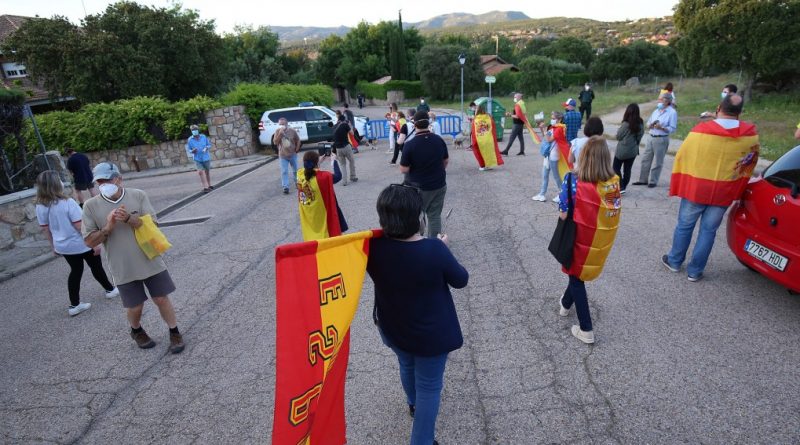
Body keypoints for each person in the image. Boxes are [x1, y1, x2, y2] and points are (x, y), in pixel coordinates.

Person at [367, 184, 468, 445]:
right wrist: (445, 249)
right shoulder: (434, 250)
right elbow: (460, 279)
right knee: (430, 387)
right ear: (418, 217)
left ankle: (412, 404)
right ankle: (421, 440)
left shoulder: (372, 249)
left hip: (393, 327)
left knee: (406, 364)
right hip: (430, 336)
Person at [82, 162, 185, 353]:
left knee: (161, 298)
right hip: (122, 265)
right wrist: (108, 227)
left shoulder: (137, 195)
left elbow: (153, 224)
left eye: (108, 179)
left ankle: (175, 332)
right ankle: (136, 330)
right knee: (135, 306)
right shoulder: (90, 206)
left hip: (149, 257)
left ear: (119, 179)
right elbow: (89, 242)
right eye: (100, 181)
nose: (104, 184)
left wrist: (130, 219)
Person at [662, 94, 759, 282]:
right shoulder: (750, 136)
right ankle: (695, 271)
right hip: (725, 191)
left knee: (684, 226)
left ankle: (674, 261)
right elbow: (750, 163)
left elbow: (684, 155)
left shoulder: (701, 130)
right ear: (739, 113)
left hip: (697, 188)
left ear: (718, 108)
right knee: (708, 231)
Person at [557, 136, 621, 344]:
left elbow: (563, 215)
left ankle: (586, 329)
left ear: (583, 156)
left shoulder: (573, 179)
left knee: (576, 278)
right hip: (598, 240)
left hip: (577, 239)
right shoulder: (612, 184)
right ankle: (565, 304)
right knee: (577, 275)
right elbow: (612, 212)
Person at [35, 170, 118, 317]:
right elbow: (80, 226)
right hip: (81, 243)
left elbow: (45, 229)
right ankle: (110, 290)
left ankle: (74, 304)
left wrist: (53, 246)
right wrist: (94, 243)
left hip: (63, 245)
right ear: (57, 184)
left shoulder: (40, 206)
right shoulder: (68, 203)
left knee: (75, 270)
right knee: (96, 266)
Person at [400, 111, 449, 238]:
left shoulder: (409, 145)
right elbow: (445, 161)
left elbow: (404, 169)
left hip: (419, 187)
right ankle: (434, 243)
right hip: (439, 184)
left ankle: (417, 241)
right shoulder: (438, 140)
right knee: (434, 215)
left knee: (416, 215)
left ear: (414, 125)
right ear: (429, 123)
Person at [296, 151, 348, 241]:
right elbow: (338, 176)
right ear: (316, 163)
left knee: (313, 234)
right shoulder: (323, 176)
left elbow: (309, 169)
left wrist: (318, 162)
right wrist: (333, 161)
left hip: (311, 213)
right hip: (322, 212)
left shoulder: (300, 174)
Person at [633, 92, 678, 188]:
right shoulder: (656, 110)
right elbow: (648, 122)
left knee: (658, 161)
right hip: (651, 136)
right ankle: (643, 179)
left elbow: (673, 128)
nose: (660, 101)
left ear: (668, 101)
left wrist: (662, 128)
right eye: (660, 99)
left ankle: (653, 181)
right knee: (646, 159)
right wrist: (650, 125)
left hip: (661, 138)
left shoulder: (672, 112)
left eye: (662, 99)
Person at [531, 116, 565, 203]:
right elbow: (545, 137)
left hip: (553, 156)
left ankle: (562, 194)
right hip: (548, 155)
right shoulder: (552, 127)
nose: (552, 119)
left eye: (554, 118)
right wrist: (543, 129)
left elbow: (549, 139)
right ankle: (542, 194)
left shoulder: (560, 129)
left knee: (556, 176)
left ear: (559, 119)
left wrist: (545, 130)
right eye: (551, 117)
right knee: (544, 175)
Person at [613, 104, 644, 194]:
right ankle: (624, 186)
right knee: (627, 169)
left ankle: (621, 186)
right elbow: (640, 135)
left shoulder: (626, 124)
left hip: (622, 151)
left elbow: (618, 136)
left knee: (615, 167)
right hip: (633, 151)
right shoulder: (640, 123)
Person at [470, 105, 504, 171]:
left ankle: (482, 166)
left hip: (480, 140)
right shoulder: (489, 117)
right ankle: (488, 165)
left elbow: (474, 130)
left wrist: (473, 141)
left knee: (478, 152)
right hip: (489, 139)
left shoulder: (476, 119)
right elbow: (493, 127)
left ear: (477, 110)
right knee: (488, 152)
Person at [275, 117, 301, 195]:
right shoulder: (277, 131)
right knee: (284, 171)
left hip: (292, 154)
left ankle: (297, 183)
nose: (281, 126)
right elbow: (275, 142)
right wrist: (280, 133)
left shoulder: (292, 131)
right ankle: (285, 187)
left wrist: (297, 149)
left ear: (286, 124)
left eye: (282, 124)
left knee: (296, 170)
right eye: (280, 124)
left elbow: (298, 140)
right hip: (283, 155)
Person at [185, 124, 213, 193]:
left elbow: (209, 145)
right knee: (200, 172)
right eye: (192, 130)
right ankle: (205, 187)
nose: (194, 131)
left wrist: (206, 148)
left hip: (205, 157)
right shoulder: (190, 140)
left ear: (198, 130)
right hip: (197, 158)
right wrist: (192, 151)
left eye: (195, 130)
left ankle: (209, 185)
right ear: (191, 131)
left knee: (207, 172)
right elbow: (189, 149)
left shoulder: (203, 137)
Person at [331, 114, 358, 185]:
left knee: (342, 165)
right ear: (344, 120)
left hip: (338, 148)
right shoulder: (345, 125)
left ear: (338, 120)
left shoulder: (334, 127)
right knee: (351, 161)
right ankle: (353, 176)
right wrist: (350, 125)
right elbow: (352, 133)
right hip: (346, 146)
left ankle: (344, 181)